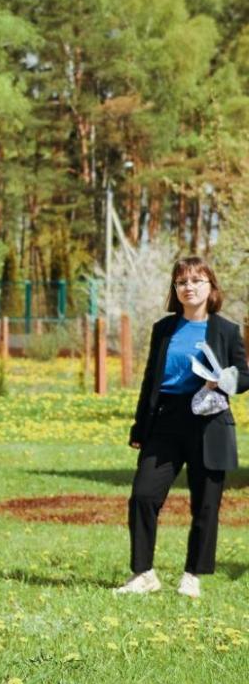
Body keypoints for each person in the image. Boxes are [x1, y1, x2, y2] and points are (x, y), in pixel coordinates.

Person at [118, 255, 249, 599]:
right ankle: (143, 573)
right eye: (181, 282)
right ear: (175, 289)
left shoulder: (227, 330)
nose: (188, 287)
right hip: (165, 421)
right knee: (143, 496)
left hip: (210, 422)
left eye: (196, 280)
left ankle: (193, 575)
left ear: (211, 287)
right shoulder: (164, 328)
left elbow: (244, 375)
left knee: (206, 504)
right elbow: (151, 379)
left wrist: (222, 381)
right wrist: (139, 427)